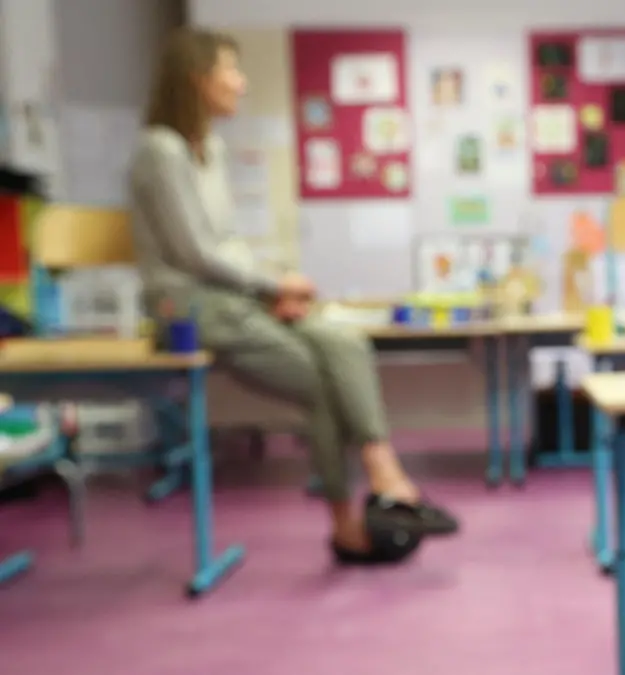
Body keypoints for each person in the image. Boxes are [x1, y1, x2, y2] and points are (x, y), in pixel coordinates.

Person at [129, 29, 459, 565]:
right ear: (198, 78)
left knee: (347, 344)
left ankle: (383, 472)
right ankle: (351, 521)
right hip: (187, 308)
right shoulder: (160, 151)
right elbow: (193, 254)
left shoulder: (207, 148)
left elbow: (228, 247)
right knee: (322, 385)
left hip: (233, 299)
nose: (241, 81)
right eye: (230, 70)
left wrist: (267, 293)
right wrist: (273, 287)